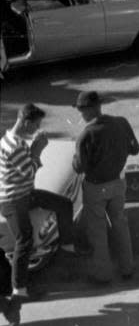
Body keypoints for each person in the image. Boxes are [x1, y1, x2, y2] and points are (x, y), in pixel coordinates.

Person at [2, 103, 75, 299]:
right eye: (35, 125)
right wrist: (38, 149)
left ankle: (67, 251)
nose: (36, 128)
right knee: (24, 240)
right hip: (13, 200)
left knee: (64, 204)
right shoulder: (14, 146)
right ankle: (19, 290)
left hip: (25, 193)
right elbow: (30, 171)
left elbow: (27, 173)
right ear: (26, 122)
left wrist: (33, 148)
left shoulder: (12, 139)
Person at [72, 91, 139, 284]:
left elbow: (79, 167)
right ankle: (127, 268)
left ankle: (103, 275)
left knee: (98, 231)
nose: (81, 114)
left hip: (95, 187)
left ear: (91, 109)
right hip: (117, 184)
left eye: (82, 109)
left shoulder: (86, 134)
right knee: (120, 224)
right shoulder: (121, 123)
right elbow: (135, 149)